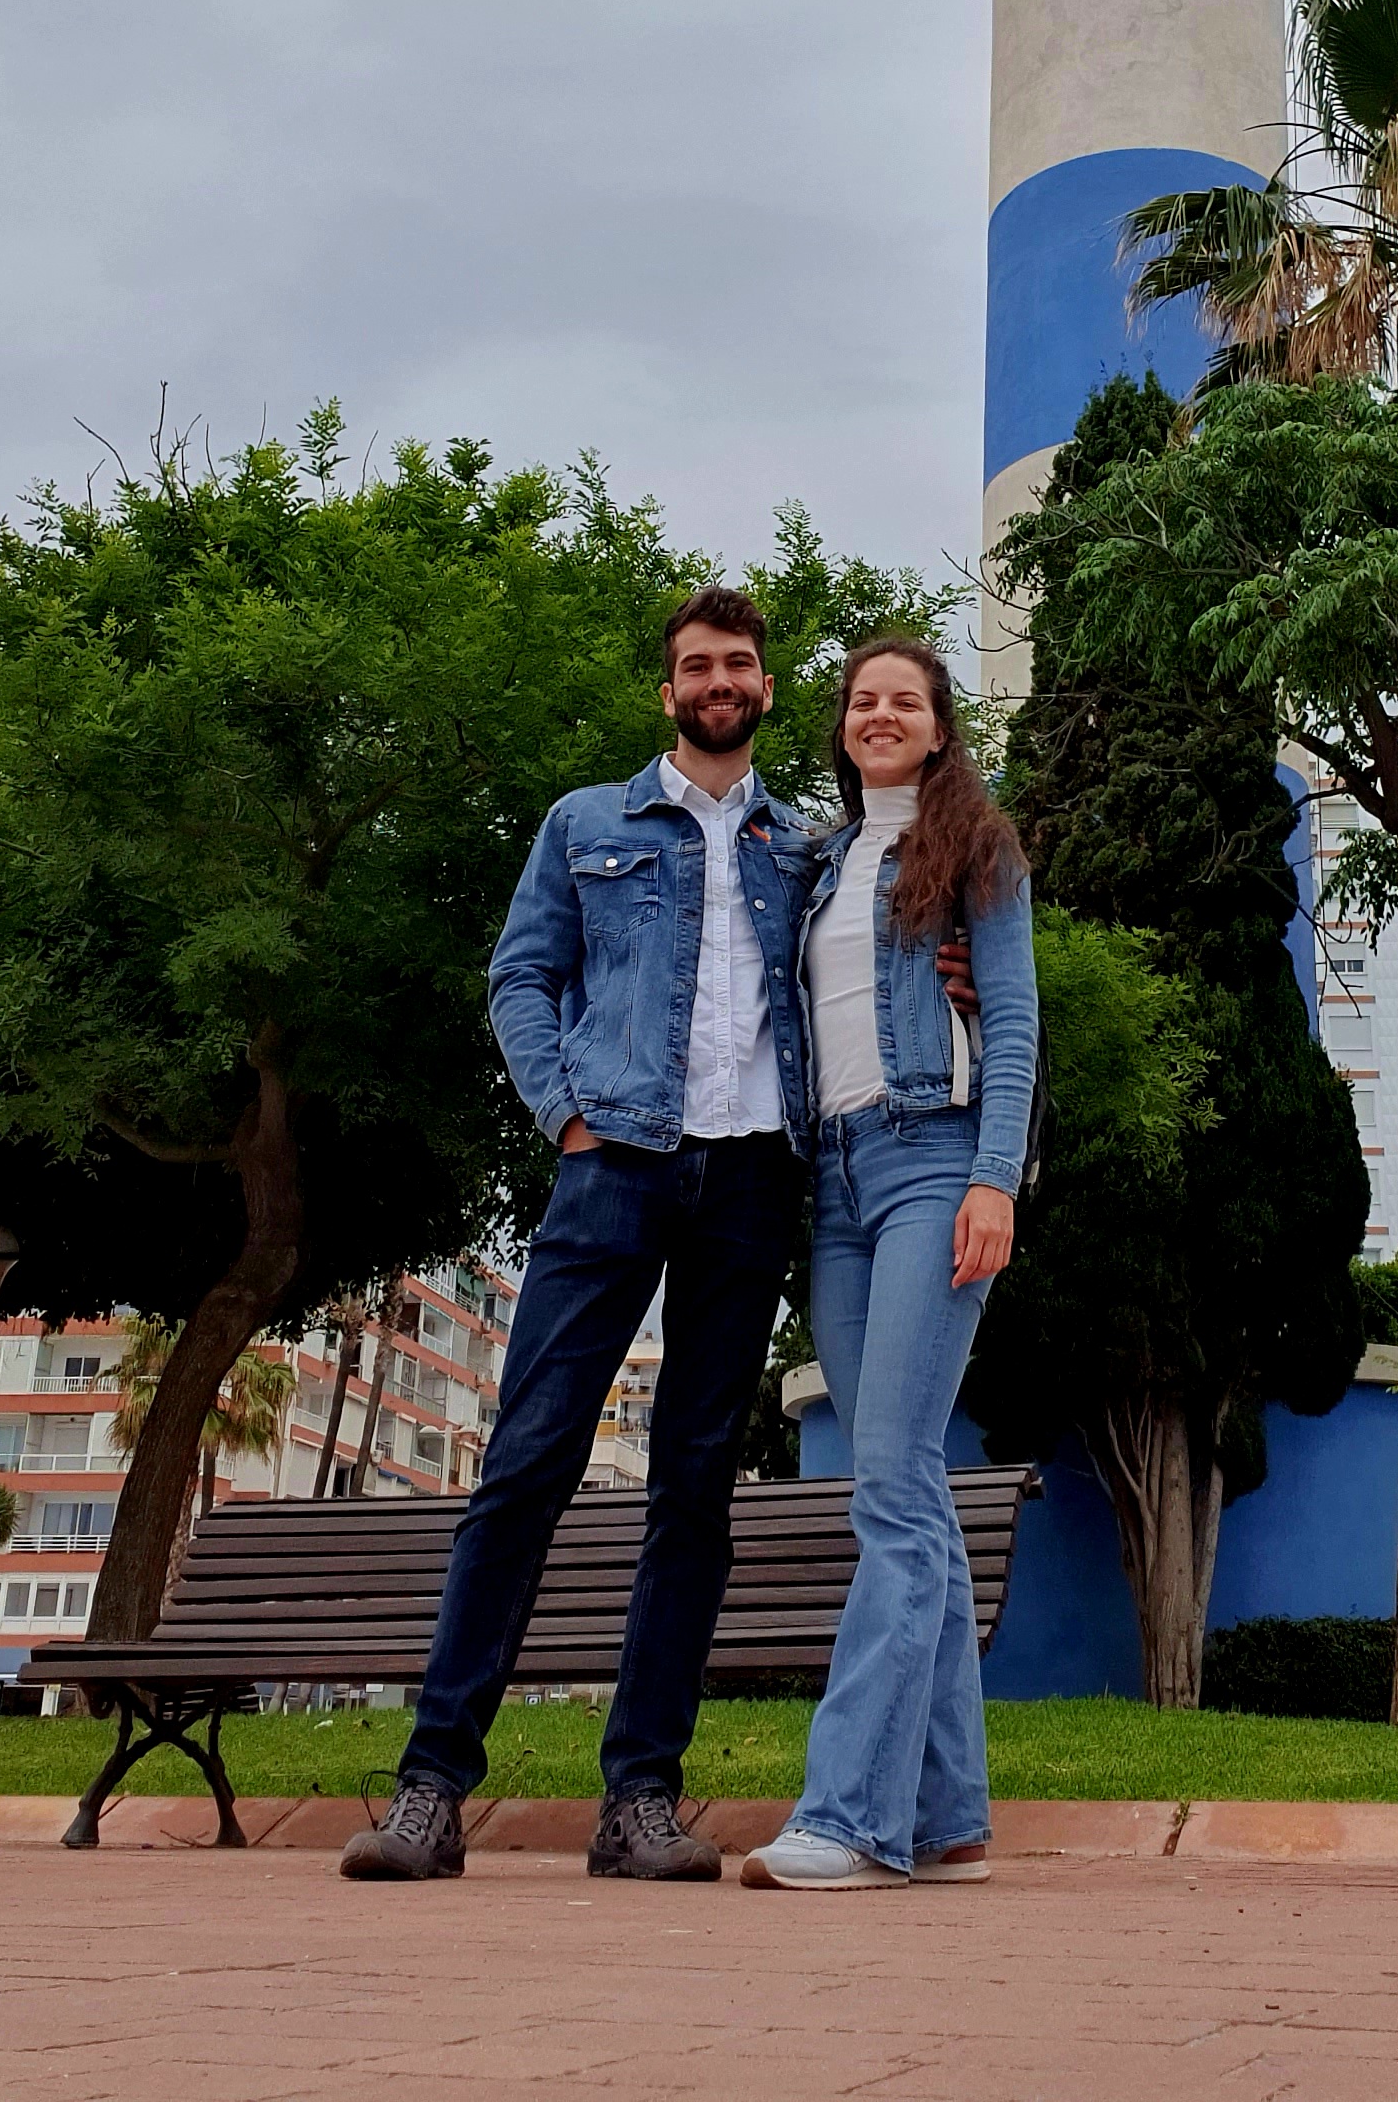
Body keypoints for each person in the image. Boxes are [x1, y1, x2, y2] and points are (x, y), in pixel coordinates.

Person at [341, 584, 823, 1885]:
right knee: (528, 1464)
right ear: (667, 692)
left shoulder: (804, 848)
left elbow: (870, 974)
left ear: (767, 689)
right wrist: (567, 1114)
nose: (719, 680)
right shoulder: (584, 824)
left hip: (753, 1178)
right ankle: (432, 1788)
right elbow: (521, 975)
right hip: (615, 1167)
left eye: (739, 663)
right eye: (695, 665)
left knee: (696, 1491)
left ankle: (641, 1803)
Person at [742, 635, 1038, 1890]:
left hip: (935, 1161)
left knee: (897, 1489)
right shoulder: (819, 864)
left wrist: (996, 1178)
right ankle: (952, 1816)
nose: (880, 713)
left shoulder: (976, 846)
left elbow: (1015, 1020)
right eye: (863, 699)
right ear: (843, 724)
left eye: (904, 699)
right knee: (899, 1486)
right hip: (839, 1182)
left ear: (938, 723)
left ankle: (851, 1816)